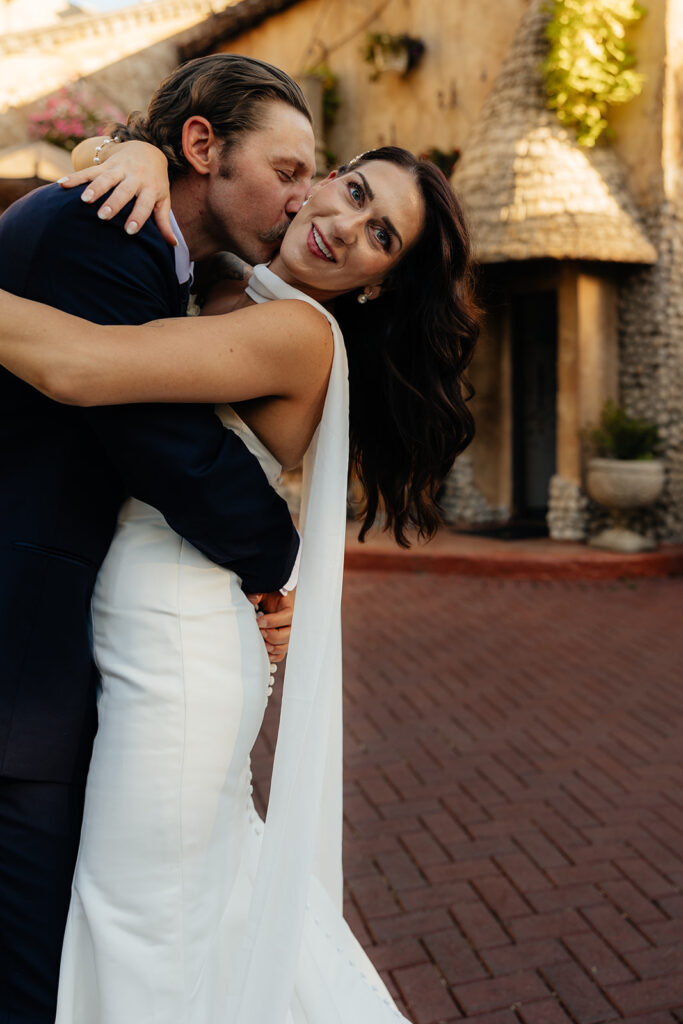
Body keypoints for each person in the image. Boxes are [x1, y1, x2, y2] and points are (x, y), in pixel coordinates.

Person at [0, 143, 479, 1023]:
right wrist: (134, 151)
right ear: (324, 179)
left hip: (180, 656)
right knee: (183, 909)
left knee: (140, 922)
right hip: (137, 628)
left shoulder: (299, 335)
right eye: (353, 192)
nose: (346, 226)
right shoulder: (233, 279)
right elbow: (196, 220)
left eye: (380, 235)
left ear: (381, 283)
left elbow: (81, 367)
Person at [0, 53, 318, 1023]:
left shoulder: (176, 257)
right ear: (202, 146)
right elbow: (171, 450)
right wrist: (277, 563)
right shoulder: (104, 227)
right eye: (288, 171)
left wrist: (120, 146)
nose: (301, 201)